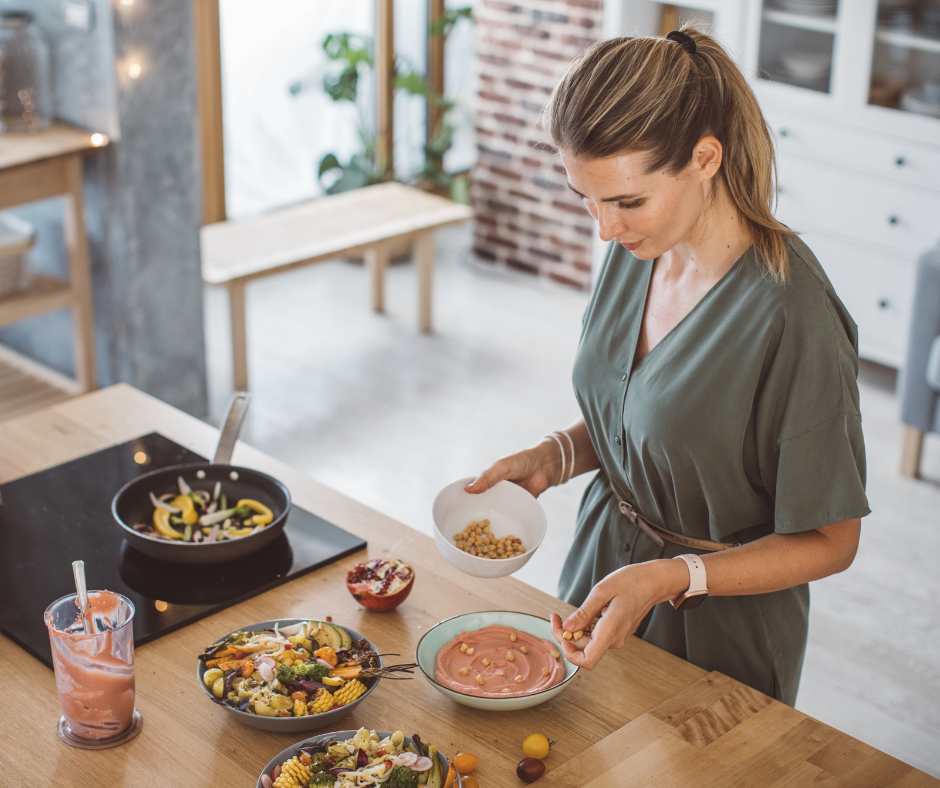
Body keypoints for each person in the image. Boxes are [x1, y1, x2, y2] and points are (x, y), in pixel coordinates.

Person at [465, 27, 870, 706]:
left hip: (722, 626)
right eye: (586, 199)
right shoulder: (638, 252)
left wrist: (671, 577)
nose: (605, 229)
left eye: (627, 201)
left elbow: (832, 541)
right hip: (602, 574)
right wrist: (553, 457)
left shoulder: (793, 316)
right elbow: (647, 414)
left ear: (705, 158)